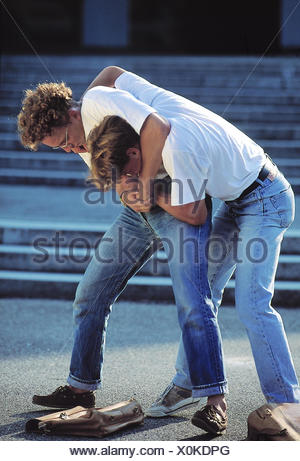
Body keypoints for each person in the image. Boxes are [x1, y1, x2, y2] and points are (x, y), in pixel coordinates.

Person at [17, 76, 228, 434]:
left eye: (66, 141)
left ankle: (215, 402)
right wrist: (130, 194)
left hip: (179, 197)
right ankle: (80, 388)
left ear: (72, 113)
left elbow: (154, 122)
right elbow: (116, 179)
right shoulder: (83, 140)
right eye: (61, 149)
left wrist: (144, 187)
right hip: (137, 214)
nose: (71, 150)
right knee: (90, 293)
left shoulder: (101, 103)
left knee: (194, 300)